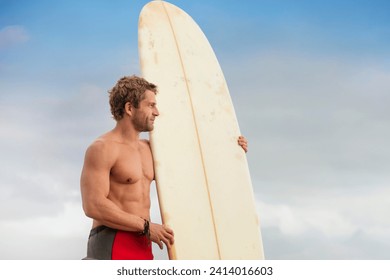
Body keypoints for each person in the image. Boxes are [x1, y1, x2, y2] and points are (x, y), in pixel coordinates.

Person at [80, 75, 248, 260]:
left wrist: (232, 149)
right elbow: (93, 205)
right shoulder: (102, 148)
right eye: (150, 105)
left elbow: (195, 167)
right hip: (113, 240)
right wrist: (145, 226)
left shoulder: (150, 150)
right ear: (129, 108)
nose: (157, 112)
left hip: (143, 242)